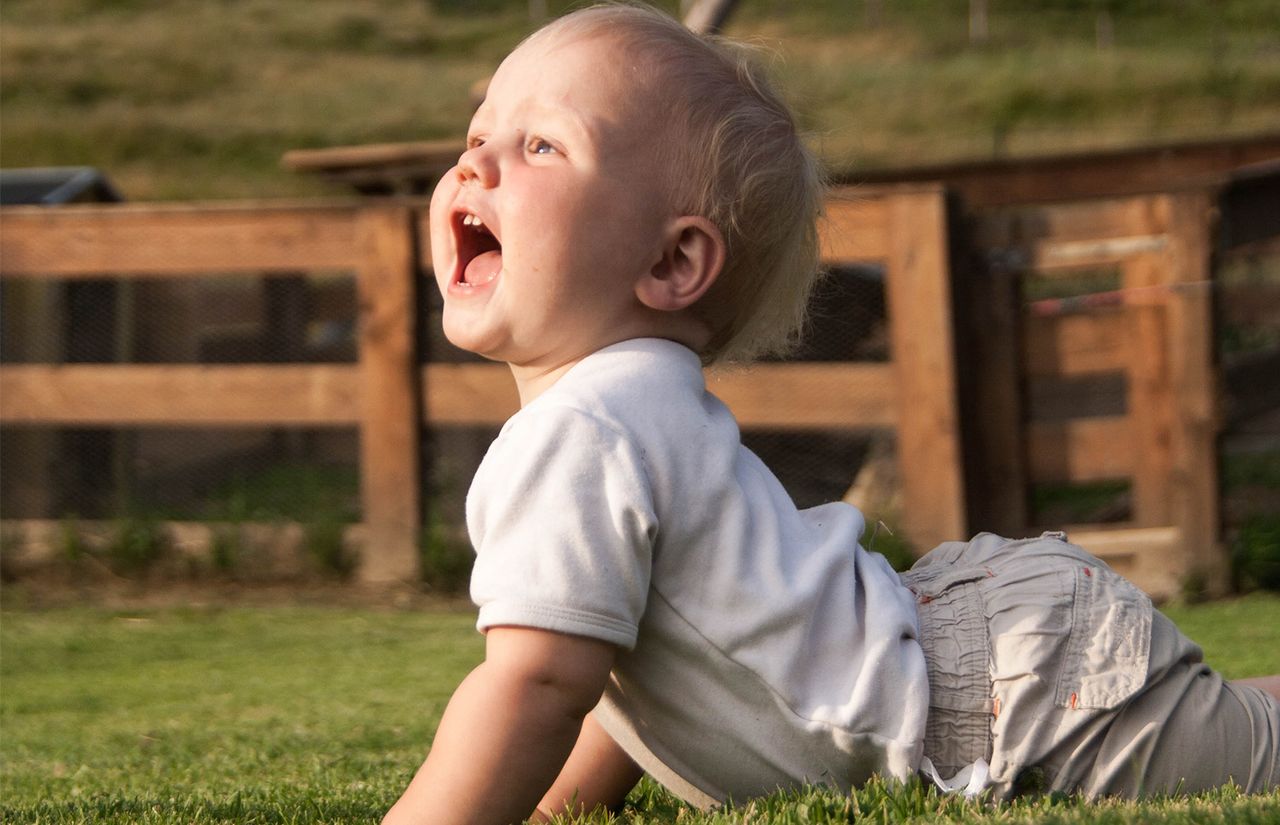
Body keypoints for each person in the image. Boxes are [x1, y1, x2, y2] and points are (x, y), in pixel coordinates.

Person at [382, 5, 1280, 823]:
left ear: (672, 263)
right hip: (984, 654)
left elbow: (538, 680)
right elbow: (638, 666)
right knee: (1244, 727)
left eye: (541, 146)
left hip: (1012, 711)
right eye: (479, 134)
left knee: (1254, 753)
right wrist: (558, 809)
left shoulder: (584, 429)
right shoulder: (639, 404)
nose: (475, 163)